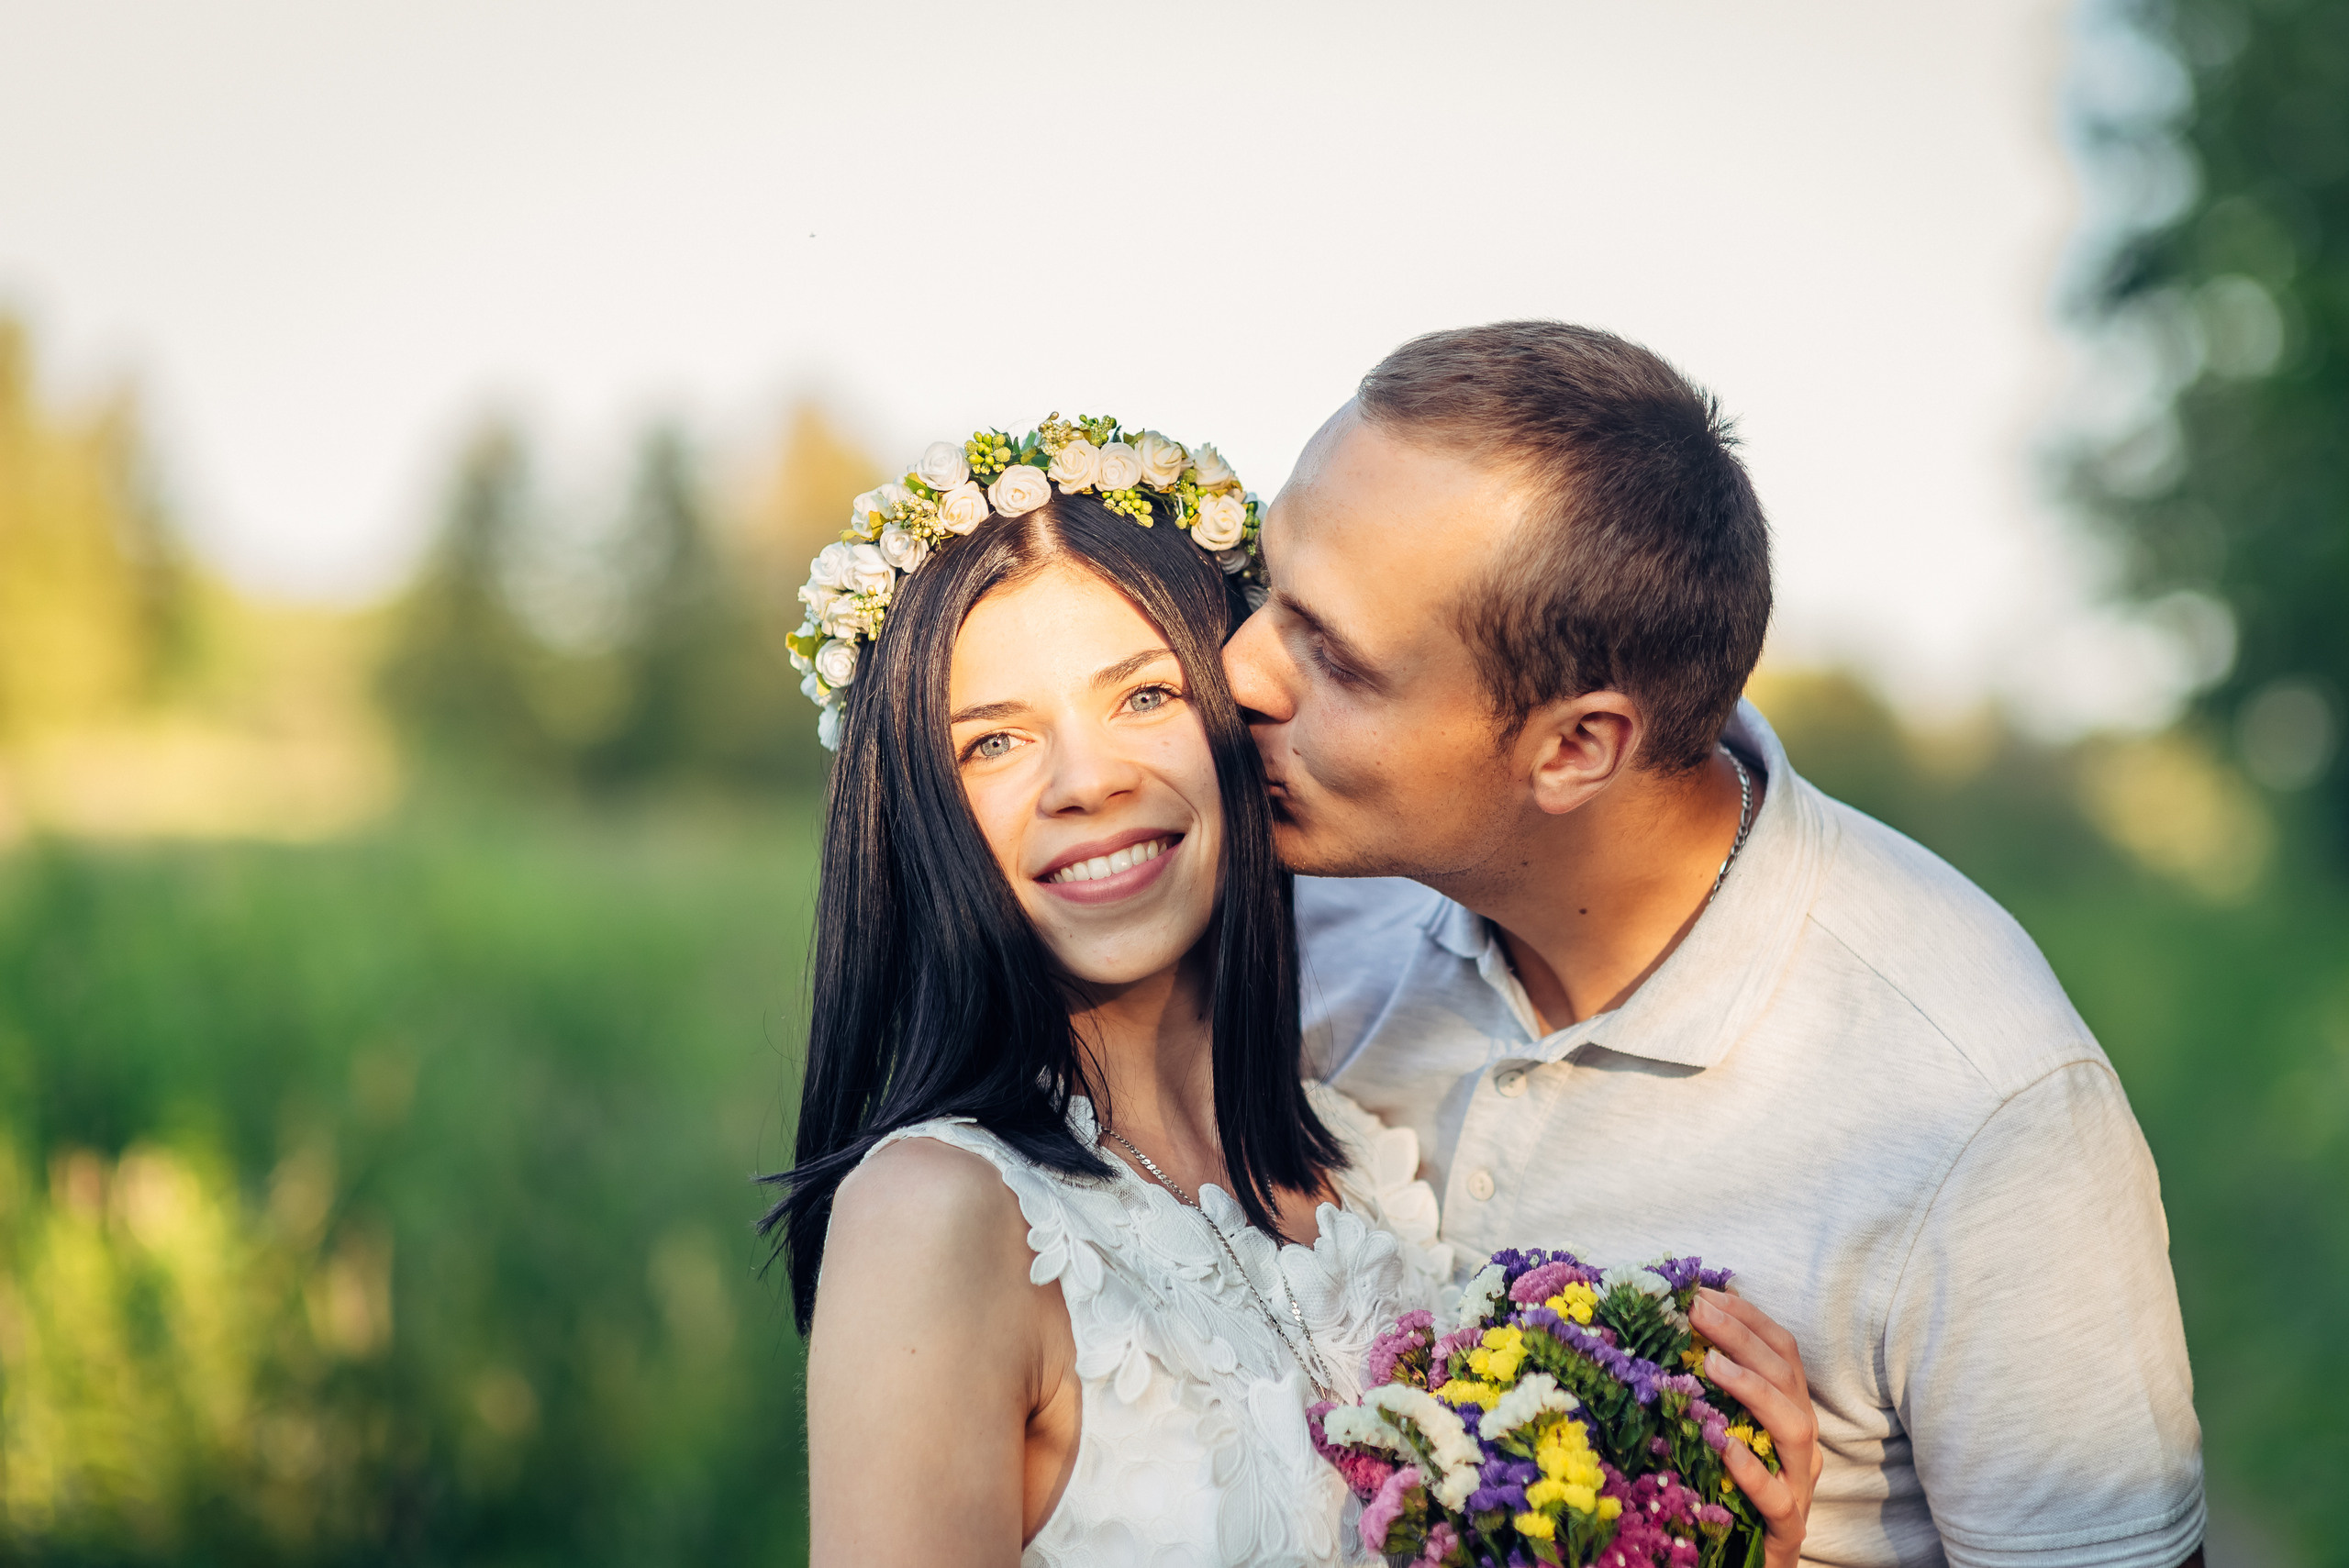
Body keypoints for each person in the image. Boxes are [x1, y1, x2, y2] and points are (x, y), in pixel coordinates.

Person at [1224, 321, 2207, 1568]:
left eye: (1336, 659)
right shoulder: (1288, 915)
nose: (1238, 668)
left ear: (1575, 747)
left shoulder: (1982, 1105)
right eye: (1267, 588)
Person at [762, 416, 1819, 1567]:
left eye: (1145, 697)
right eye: (993, 742)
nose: (1087, 780)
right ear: (922, 811)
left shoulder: (1364, 1161)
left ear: (1243, 716)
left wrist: (1686, 1531)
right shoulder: (935, 1215)